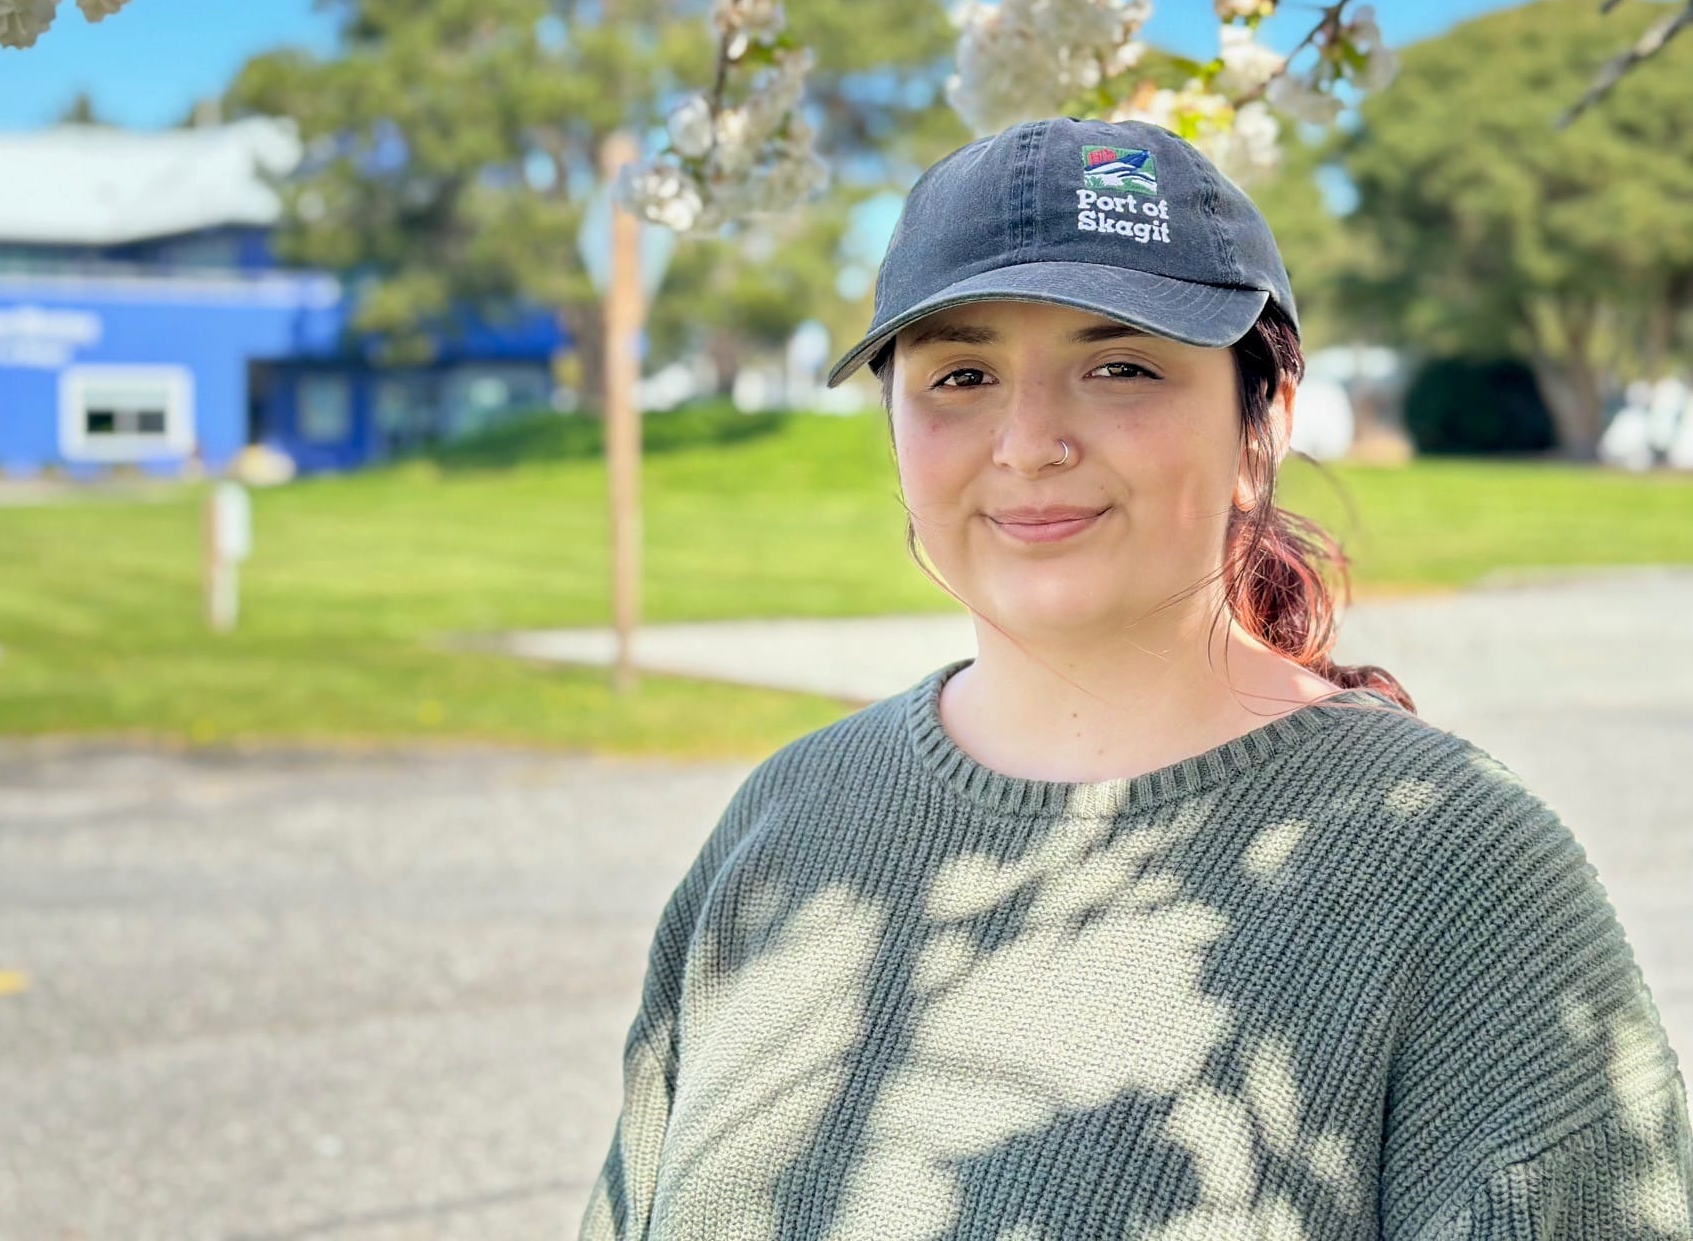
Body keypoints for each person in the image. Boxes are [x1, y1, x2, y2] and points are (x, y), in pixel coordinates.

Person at [577, 116, 1693, 1240]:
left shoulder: (1464, 874)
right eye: (961, 375)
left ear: (1265, 424)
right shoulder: (783, 824)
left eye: (1121, 367)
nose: (1027, 442)